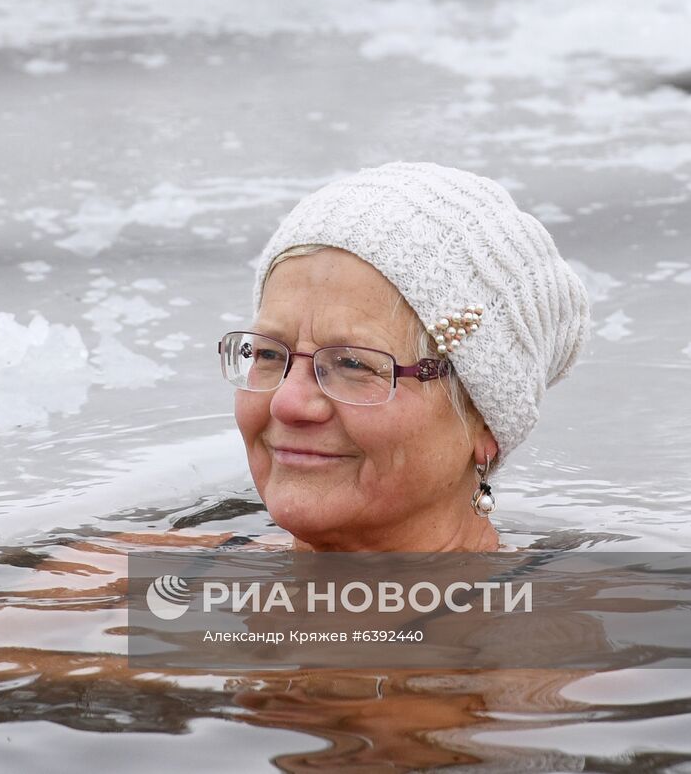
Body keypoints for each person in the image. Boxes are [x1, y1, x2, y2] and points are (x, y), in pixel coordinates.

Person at [222, 161, 590, 552]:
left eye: (352, 364)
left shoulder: (569, 608)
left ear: (484, 422)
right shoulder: (177, 577)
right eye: (268, 354)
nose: (287, 402)